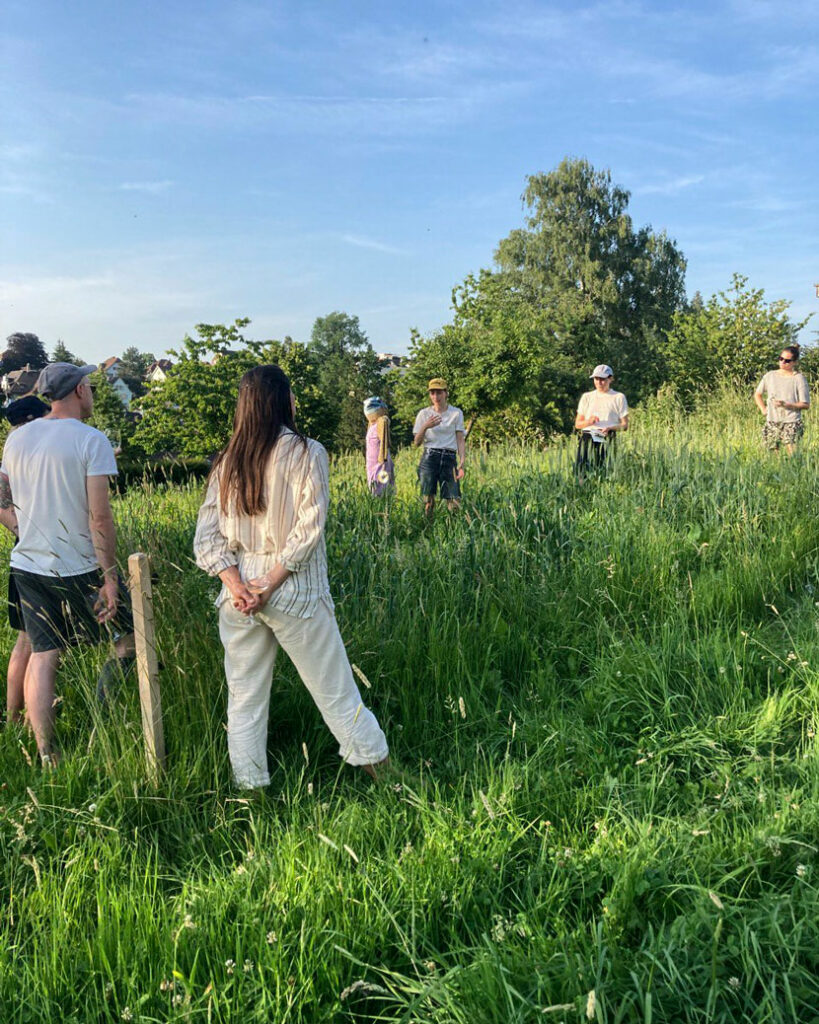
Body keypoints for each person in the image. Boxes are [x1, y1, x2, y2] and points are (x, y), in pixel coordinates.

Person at [193, 365, 389, 790]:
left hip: (239, 591)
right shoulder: (307, 451)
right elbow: (309, 528)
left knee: (244, 699)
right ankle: (389, 778)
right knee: (336, 691)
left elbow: (207, 538)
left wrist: (237, 586)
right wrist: (269, 583)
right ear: (282, 400)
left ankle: (251, 794)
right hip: (293, 589)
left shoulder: (226, 461)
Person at [0, 363, 135, 765]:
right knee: (128, 642)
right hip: (79, 566)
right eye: (89, 385)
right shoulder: (91, 439)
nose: (91, 391)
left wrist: (22, 528)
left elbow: (5, 496)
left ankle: (46, 754)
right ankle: (104, 723)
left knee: (44, 654)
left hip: (27, 564)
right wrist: (109, 577)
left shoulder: (17, 439)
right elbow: (100, 518)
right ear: (78, 390)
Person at [0, 396, 49, 726]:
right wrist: (25, 530)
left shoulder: (13, 451)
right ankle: (24, 722)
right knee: (34, 643)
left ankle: (15, 720)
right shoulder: (27, 452)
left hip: (26, 551)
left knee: (27, 640)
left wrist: (21, 530)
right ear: (32, 420)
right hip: (36, 554)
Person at [413, 378, 466, 517]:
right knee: (428, 500)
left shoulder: (456, 413)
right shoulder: (424, 414)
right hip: (430, 457)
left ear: (446, 393)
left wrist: (462, 462)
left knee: (453, 500)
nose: (436, 396)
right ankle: (427, 526)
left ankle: (453, 528)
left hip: (449, 457)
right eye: (432, 393)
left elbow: (460, 439)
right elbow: (416, 442)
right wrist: (426, 426)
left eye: (439, 392)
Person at [754, 345, 810, 455]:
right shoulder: (770, 376)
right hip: (772, 420)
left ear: (794, 362)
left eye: (787, 361)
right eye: (781, 358)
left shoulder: (798, 378)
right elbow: (757, 394)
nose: (783, 362)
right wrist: (763, 409)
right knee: (773, 455)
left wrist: (787, 405)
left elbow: (805, 404)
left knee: (792, 455)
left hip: (792, 421)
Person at [574, 364, 629, 476]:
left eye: (602, 379)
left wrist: (610, 428)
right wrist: (589, 422)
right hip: (588, 435)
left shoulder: (618, 397)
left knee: (603, 469)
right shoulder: (587, 397)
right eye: (596, 379)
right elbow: (577, 424)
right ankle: (581, 485)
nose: (599, 382)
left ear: (610, 379)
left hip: (607, 435)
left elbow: (624, 425)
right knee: (581, 470)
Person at [363, 397, 394, 497]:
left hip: (381, 464)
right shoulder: (373, 425)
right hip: (373, 465)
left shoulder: (380, 423)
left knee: (382, 490)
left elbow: (386, 422)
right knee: (375, 489)